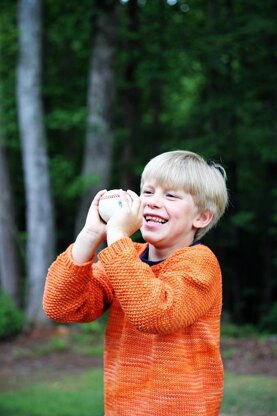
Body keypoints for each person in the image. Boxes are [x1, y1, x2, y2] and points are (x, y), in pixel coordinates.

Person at [43, 150, 228, 416]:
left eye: (171, 195)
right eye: (148, 192)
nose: (152, 202)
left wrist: (117, 236)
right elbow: (61, 306)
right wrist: (91, 235)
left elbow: (155, 314)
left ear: (201, 217)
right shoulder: (125, 259)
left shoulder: (200, 262)